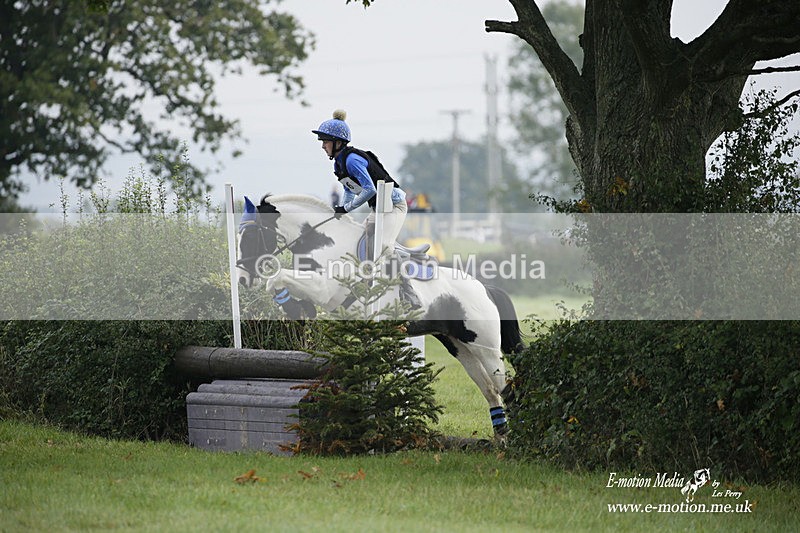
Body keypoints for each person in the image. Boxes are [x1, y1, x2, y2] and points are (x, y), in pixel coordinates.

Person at [312, 109, 408, 258]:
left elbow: (370, 190)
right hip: (379, 208)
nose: (323, 146)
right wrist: (341, 210)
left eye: (325, 142)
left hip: (395, 207)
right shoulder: (339, 164)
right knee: (358, 242)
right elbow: (350, 191)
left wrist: (346, 208)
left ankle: (405, 280)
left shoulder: (352, 161)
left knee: (383, 247)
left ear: (338, 143)